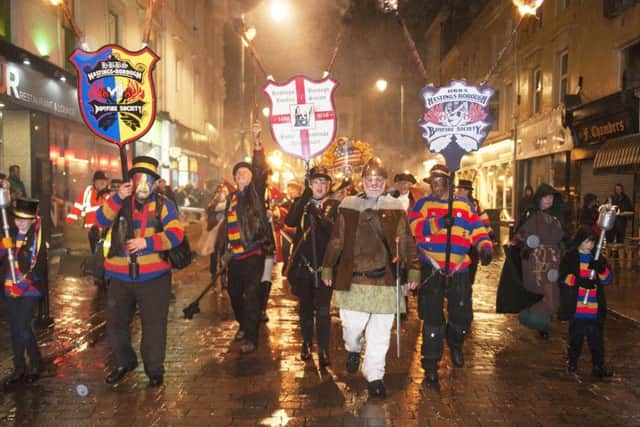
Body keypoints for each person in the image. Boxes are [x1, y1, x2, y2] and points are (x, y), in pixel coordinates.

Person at [322, 157, 420, 398]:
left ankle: (375, 374)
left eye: (378, 180)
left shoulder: (395, 207)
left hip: (385, 280)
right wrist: (327, 266)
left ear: (385, 182)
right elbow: (337, 239)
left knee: (380, 333)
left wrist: (414, 268)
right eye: (369, 179)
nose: (374, 183)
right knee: (351, 327)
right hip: (354, 279)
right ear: (362, 181)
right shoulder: (349, 205)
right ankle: (353, 348)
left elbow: (406, 240)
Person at [97, 156, 184, 387]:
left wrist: (148, 242)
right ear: (132, 180)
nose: (143, 184)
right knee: (116, 324)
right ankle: (124, 362)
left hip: (153, 278)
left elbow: (176, 234)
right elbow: (100, 219)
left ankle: (155, 369)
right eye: (138, 178)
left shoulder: (165, 205)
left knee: (154, 325)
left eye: (148, 179)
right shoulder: (120, 201)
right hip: (119, 276)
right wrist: (117, 198)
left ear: (155, 182)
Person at [409, 165, 493, 385]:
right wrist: (438, 223)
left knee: (463, 315)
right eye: (432, 182)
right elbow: (414, 227)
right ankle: (430, 367)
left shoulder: (463, 204)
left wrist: (485, 247)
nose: (435, 185)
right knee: (432, 319)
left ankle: (455, 341)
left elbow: (477, 228)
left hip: (459, 269)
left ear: (448, 182)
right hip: (433, 268)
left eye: (439, 181)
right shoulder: (423, 204)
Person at [221, 122, 273, 354]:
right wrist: (225, 251)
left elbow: (261, 169)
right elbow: (227, 228)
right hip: (235, 256)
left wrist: (258, 142)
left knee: (252, 295)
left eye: (246, 172)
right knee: (233, 293)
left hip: (253, 254)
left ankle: (251, 337)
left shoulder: (255, 193)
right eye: (238, 173)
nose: (241, 175)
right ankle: (243, 323)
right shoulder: (231, 198)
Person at [285, 166, 339, 366]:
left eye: (324, 183)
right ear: (310, 185)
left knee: (323, 310)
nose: (320, 186)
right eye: (316, 182)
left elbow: (336, 233)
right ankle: (307, 342)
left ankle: (324, 349)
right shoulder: (303, 204)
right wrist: (304, 200)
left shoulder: (335, 206)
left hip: (325, 266)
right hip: (303, 265)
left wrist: (320, 216)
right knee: (305, 307)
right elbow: (289, 221)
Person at [508, 183, 565, 339]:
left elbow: (562, 237)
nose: (549, 200)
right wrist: (527, 241)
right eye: (546, 197)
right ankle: (539, 321)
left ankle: (541, 320)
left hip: (553, 260)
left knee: (551, 290)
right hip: (536, 261)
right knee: (542, 291)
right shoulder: (531, 214)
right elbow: (521, 235)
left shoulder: (556, 217)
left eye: (551, 197)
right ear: (539, 198)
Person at [558, 227, 613, 378]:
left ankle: (598, 366)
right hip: (577, 308)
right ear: (579, 241)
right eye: (587, 241)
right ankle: (572, 362)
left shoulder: (597, 259)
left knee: (596, 341)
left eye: (592, 242)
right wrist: (579, 281)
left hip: (594, 308)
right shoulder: (570, 257)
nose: (589, 245)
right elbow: (562, 277)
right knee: (576, 338)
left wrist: (601, 269)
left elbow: (608, 279)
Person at [1, 198, 45, 386]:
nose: (20, 223)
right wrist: (4, 246)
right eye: (18, 219)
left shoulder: (37, 240)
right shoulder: (9, 234)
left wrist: (24, 285)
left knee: (23, 327)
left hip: (29, 291)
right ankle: (19, 367)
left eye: (24, 220)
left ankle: (35, 363)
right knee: (14, 330)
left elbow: (38, 268)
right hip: (10, 289)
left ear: (32, 220)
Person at [455, 179, 493, 285]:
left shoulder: (476, 204)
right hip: (459, 241)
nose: (458, 191)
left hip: (473, 242)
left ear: (467, 191)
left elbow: (483, 220)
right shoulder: (454, 202)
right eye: (458, 189)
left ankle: (468, 287)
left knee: (471, 267)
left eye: (461, 189)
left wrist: (489, 232)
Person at [66, 171, 110, 254]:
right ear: (94, 182)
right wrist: (69, 226)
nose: (103, 182)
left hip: (106, 235)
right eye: (100, 180)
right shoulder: (87, 193)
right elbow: (76, 210)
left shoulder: (110, 195)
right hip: (89, 235)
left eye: (105, 180)